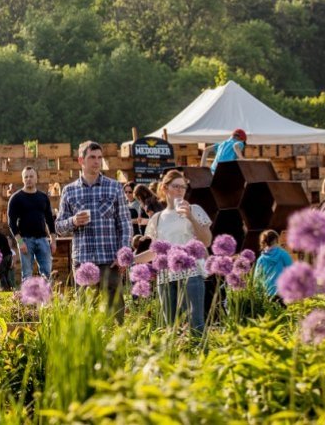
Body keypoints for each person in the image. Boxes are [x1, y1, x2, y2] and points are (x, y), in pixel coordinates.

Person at [56, 141, 132, 320]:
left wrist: (123, 254)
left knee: (116, 316)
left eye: (99, 158)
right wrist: (73, 221)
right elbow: (58, 227)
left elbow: (125, 223)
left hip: (110, 261)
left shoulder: (114, 187)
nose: (97, 162)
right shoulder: (69, 191)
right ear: (81, 160)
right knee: (86, 317)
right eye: (92, 157)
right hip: (83, 262)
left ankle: (119, 348)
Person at [136, 169, 213, 333]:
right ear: (164, 188)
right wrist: (130, 259)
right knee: (170, 328)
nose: (180, 190)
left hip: (191, 274)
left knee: (196, 325)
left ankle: (199, 356)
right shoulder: (157, 218)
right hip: (165, 277)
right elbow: (155, 252)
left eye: (183, 187)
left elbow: (206, 241)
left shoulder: (195, 209)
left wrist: (190, 217)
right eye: (175, 186)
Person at [7, 166, 57, 282]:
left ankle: (47, 299)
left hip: (43, 240)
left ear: (36, 179)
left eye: (31, 176)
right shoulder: (16, 198)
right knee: (27, 275)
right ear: (22, 179)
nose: (28, 179)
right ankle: (28, 300)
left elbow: (50, 219)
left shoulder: (43, 197)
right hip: (25, 240)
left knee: (47, 274)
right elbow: (11, 223)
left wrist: (53, 240)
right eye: (26, 177)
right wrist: (20, 242)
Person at [255, 230, 292, 300]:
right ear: (276, 240)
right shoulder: (283, 254)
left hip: (267, 294)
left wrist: (258, 296)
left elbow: (257, 279)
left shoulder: (261, 259)